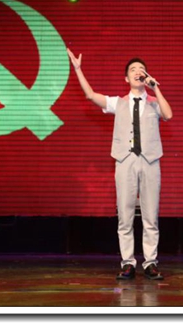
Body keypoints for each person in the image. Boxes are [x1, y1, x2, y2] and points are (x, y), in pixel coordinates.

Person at [67, 48, 173, 281]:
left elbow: (168, 115)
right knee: (125, 215)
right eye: (133, 70)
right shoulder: (118, 103)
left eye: (141, 69)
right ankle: (127, 263)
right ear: (126, 78)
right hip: (125, 161)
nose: (137, 72)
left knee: (150, 216)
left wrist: (156, 88)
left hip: (150, 161)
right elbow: (90, 95)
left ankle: (150, 263)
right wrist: (78, 70)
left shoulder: (154, 102)